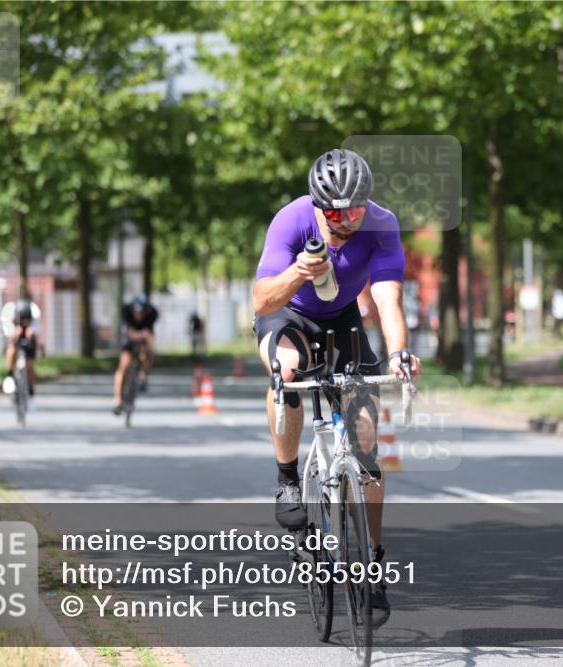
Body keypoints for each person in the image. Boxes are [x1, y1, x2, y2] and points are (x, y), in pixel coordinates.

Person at [252, 148, 421, 627]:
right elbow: (261, 298)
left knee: (367, 434)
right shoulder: (291, 220)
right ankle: (287, 481)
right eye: (336, 213)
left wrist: (397, 355)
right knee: (287, 369)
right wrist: (297, 273)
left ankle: (371, 562)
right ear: (319, 205)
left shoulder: (383, 224)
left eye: (356, 210)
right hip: (287, 314)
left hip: (342, 318)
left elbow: (389, 299)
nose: (347, 220)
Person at [112, 294, 159, 415]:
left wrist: (149, 348)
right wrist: (139, 335)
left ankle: (143, 376)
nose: (139, 315)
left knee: (148, 353)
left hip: (145, 332)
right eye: (136, 312)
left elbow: (149, 335)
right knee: (124, 366)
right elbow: (129, 333)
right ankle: (117, 400)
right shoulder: (126, 312)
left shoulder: (152, 314)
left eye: (141, 312)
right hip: (129, 335)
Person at [4, 299, 38, 409]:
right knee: (11, 349)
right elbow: (9, 337)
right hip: (15, 334)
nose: (24, 323)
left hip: (30, 337)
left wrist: (31, 334)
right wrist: (16, 333)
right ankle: (9, 376)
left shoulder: (36, 314)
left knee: (30, 365)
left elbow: (37, 335)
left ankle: (31, 394)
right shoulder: (8, 314)